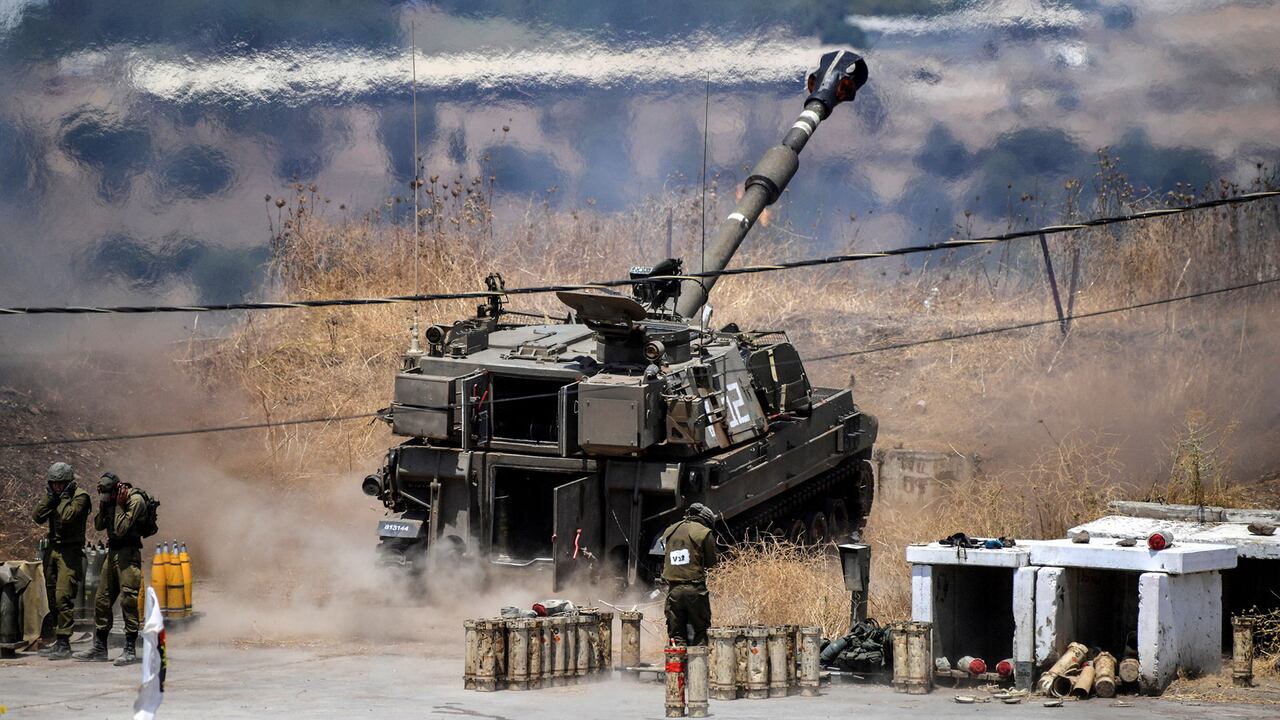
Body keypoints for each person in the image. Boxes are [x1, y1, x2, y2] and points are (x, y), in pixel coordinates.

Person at [74, 472, 147, 665]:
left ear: (118, 488)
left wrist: (120, 505)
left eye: (109, 495)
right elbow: (99, 526)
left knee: (128, 600)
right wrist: (103, 506)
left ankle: (130, 648)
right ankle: (99, 647)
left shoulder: (135, 500)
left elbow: (122, 528)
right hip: (112, 552)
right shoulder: (109, 500)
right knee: (102, 600)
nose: (107, 498)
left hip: (129, 554)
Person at [31, 461, 91, 660]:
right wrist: (50, 498)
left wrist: (63, 498)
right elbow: (37, 517)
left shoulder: (80, 496)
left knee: (63, 596)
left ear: (69, 482)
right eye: (54, 484)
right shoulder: (53, 496)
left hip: (70, 551)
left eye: (61, 483)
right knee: (51, 595)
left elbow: (67, 517)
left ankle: (65, 642)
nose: (57, 487)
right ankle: (58, 639)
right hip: (53, 549)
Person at [660, 502, 718, 646]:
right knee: (701, 631)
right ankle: (697, 667)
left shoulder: (670, 530)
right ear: (706, 520)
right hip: (695, 590)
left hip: (673, 592)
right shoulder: (704, 532)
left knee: (676, 635)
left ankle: (677, 667)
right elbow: (712, 563)